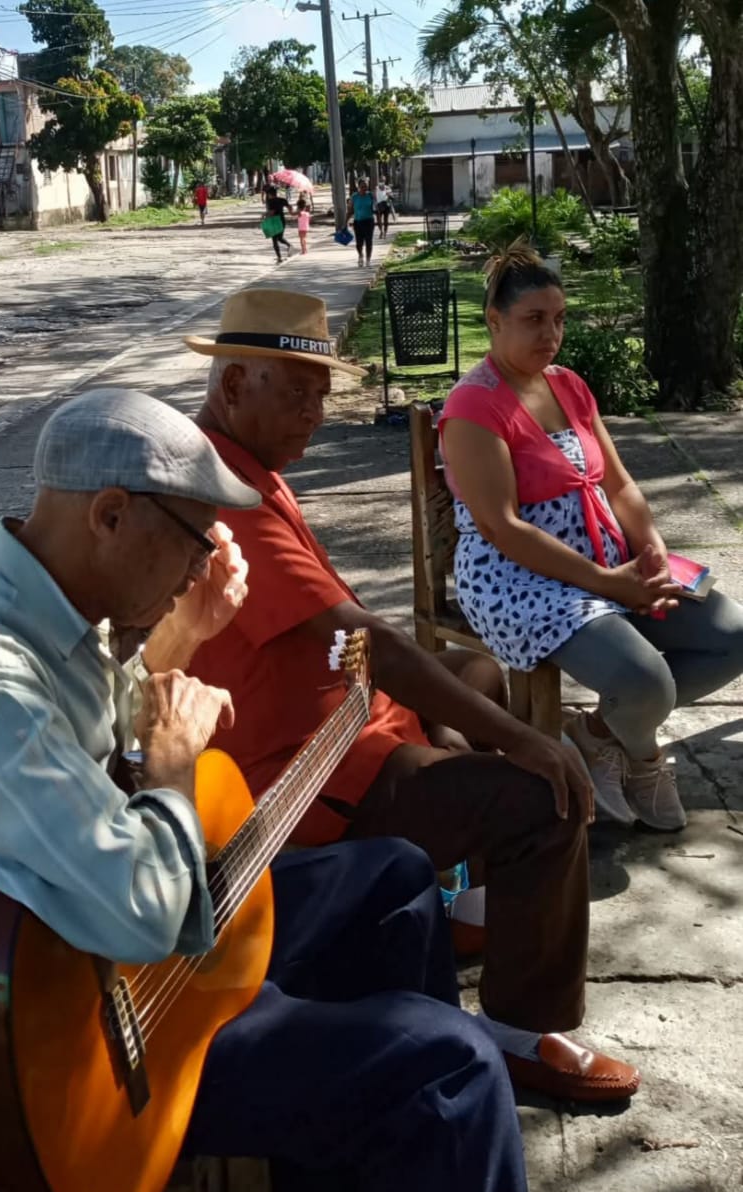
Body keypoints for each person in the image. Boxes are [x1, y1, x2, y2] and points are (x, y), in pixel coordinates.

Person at [0, 387, 537, 1192]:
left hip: (110, 962)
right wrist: (171, 771)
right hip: (63, 1067)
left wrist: (178, 643)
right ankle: (400, 1168)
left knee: (391, 878)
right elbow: (149, 916)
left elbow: (85, 767)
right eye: (193, 537)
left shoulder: (38, 606)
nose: (202, 564)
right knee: (450, 1071)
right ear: (110, 516)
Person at [165, 287, 640, 1106]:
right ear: (234, 385)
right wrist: (522, 742)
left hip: (346, 719)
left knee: (480, 679)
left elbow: (348, 641)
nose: (316, 412)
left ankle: (475, 913)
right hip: (305, 777)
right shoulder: (223, 495)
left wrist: (460, 717)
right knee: (546, 794)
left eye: (323, 392)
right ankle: (524, 1034)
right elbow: (370, 641)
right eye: (298, 392)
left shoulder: (245, 465)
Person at [438, 244, 743, 831]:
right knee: (645, 682)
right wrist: (611, 584)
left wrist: (649, 547)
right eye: (533, 320)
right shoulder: (473, 405)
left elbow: (621, 484)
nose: (550, 333)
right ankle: (647, 758)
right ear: (494, 321)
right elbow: (503, 526)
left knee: (731, 638)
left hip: (608, 560)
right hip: (517, 578)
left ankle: (597, 733)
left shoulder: (569, 386)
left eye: (559, 319)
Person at [348, 177, 376, 267]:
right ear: (358, 187)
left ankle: (368, 260)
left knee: (369, 241)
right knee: (359, 242)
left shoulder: (370, 196)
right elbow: (350, 210)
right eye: (362, 186)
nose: (364, 188)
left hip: (369, 221)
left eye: (366, 186)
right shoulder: (354, 197)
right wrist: (345, 221)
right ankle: (360, 255)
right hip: (358, 222)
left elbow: (376, 208)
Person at [264, 185, 292, 263]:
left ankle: (279, 257)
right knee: (280, 238)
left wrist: (265, 215)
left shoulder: (270, 202)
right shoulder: (282, 200)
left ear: (270, 194)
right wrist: (291, 212)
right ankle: (289, 245)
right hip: (282, 220)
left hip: (274, 221)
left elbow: (272, 212)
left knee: (274, 240)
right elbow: (290, 208)